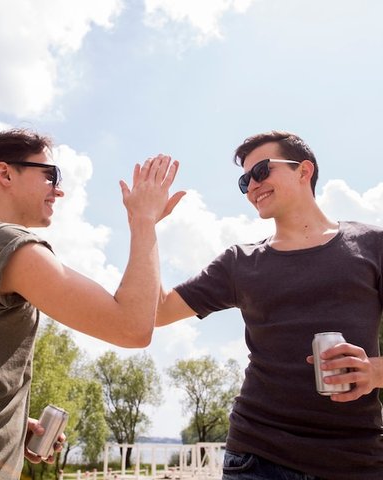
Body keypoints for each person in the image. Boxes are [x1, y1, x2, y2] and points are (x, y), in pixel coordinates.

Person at [0, 128, 185, 479]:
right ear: (5, 173)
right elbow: (132, 328)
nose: (59, 189)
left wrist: (11, 425)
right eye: (50, 175)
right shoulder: (3, 244)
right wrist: (144, 220)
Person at [156, 130, 383, 480]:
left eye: (261, 171)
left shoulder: (373, 246)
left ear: (303, 171)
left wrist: (376, 371)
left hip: (357, 460)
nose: (251, 186)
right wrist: (145, 225)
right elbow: (155, 312)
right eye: (245, 180)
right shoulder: (238, 262)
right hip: (256, 459)